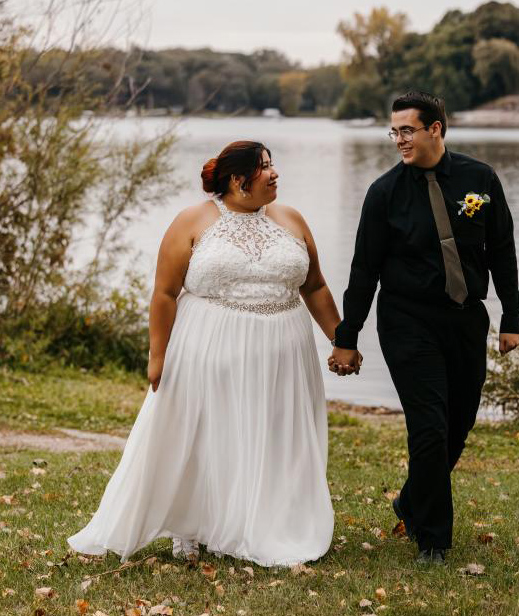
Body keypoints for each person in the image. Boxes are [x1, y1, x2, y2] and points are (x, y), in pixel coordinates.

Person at [69, 141, 341, 567]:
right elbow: (163, 293)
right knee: (201, 435)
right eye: (264, 168)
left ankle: (264, 522)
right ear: (237, 180)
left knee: (272, 437)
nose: (274, 174)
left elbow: (316, 286)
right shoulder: (193, 220)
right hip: (209, 344)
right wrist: (157, 356)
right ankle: (189, 527)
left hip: (285, 351)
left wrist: (340, 339)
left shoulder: (291, 219)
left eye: (273, 165)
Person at [329, 91, 519, 564]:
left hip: (465, 319)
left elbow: (501, 249)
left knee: (458, 421)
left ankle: (411, 500)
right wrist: (347, 336)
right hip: (406, 321)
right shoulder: (384, 193)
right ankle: (432, 538)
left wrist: (510, 316)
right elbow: (363, 270)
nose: (399, 140)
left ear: (436, 129)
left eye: (407, 130)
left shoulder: (481, 179)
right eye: (394, 131)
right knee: (429, 427)